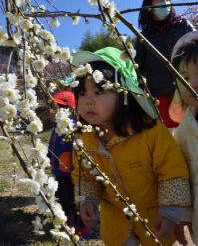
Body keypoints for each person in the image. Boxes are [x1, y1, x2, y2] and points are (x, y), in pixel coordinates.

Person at [71, 46, 191, 246]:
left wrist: (170, 215)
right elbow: (85, 176)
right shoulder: (84, 139)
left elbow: (173, 172)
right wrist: (87, 201)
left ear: (123, 94)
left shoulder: (150, 132)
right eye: (82, 94)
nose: (88, 101)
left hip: (155, 224)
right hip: (118, 229)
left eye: (98, 92)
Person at [134, 0, 194, 129]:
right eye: (159, 1)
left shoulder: (183, 26)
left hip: (188, 89)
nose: (165, 4)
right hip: (161, 96)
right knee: (172, 136)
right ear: (149, 8)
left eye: (167, 0)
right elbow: (137, 68)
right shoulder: (144, 36)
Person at [48, 90, 93, 238]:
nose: (53, 112)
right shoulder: (55, 127)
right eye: (53, 108)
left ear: (71, 110)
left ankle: (82, 227)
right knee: (63, 199)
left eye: (59, 109)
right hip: (59, 173)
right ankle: (68, 223)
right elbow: (51, 146)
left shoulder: (73, 127)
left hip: (71, 175)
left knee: (75, 201)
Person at [169, 31, 198, 245]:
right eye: (185, 78)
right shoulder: (181, 133)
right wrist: (183, 218)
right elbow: (181, 177)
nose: (193, 84)